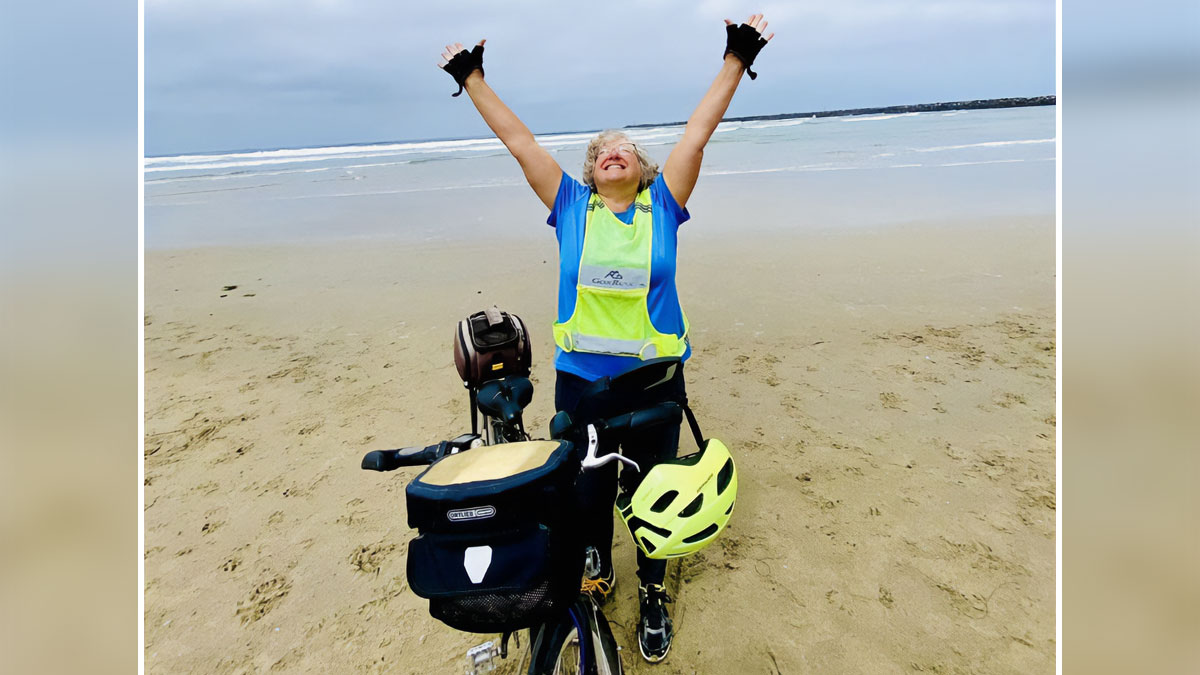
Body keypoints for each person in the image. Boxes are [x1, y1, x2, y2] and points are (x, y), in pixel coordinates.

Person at [438, 14, 773, 663]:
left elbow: (698, 133)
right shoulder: (569, 207)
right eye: (597, 151)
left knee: (653, 493)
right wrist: (473, 78)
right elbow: (519, 141)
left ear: (642, 166)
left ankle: (653, 590)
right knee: (585, 495)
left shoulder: (664, 204)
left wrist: (736, 58)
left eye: (621, 146)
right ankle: (595, 571)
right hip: (582, 386)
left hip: (654, 385)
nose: (608, 151)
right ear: (589, 172)